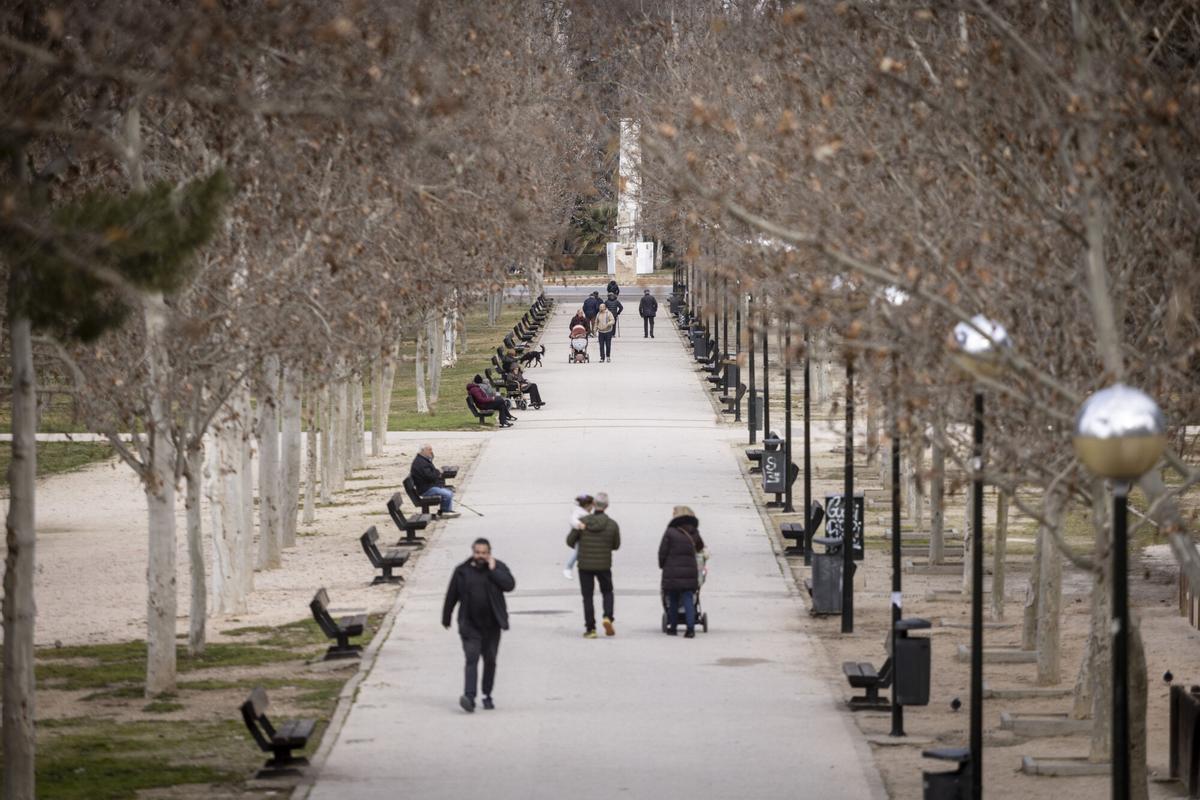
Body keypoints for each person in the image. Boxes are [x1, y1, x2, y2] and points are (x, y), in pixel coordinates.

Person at [442, 538, 516, 712]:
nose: (480, 556)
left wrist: (494, 570)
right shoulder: (462, 571)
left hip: (492, 625)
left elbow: (510, 585)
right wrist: (446, 617)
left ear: (489, 553)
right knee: (471, 658)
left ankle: (486, 695)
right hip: (469, 625)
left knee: (490, 660)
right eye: (477, 552)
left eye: (484, 553)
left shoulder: (498, 567)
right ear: (473, 552)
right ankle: (469, 696)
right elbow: (451, 595)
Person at [566, 492, 620, 638]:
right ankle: (608, 617)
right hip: (604, 565)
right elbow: (616, 545)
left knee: (587, 596)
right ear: (607, 506)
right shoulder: (612, 524)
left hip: (585, 566)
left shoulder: (583, 521)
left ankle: (591, 629)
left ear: (594, 505)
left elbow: (570, 541)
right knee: (607, 591)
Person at [658, 506, 708, 638]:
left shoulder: (670, 532)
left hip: (672, 570)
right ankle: (690, 628)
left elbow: (662, 552)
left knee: (673, 599)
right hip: (690, 571)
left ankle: (673, 627)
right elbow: (700, 547)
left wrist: (662, 565)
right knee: (688, 599)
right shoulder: (694, 532)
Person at [410, 444, 461, 517]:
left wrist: (437, 473)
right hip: (425, 489)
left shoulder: (423, 459)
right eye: (429, 450)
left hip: (427, 486)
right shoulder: (421, 462)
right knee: (448, 494)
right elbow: (430, 477)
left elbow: (431, 473)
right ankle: (445, 511)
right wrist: (438, 473)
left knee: (448, 491)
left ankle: (445, 510)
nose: (431, 452)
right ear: (423, 451)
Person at [563, 494, 593, 579]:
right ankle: (568, 568)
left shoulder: (582, 511)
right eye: (592, 505)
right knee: (578, 553)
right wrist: (579, 524)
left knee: (582, 553)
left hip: (583, 536)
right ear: (587, 505)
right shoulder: (578, 512)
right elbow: (573, 520)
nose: (592, 508)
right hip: (579, 536)